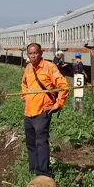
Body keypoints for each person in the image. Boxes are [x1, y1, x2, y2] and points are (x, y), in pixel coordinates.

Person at [21, 43, 69, 179]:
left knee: (41, 142)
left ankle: (43, 172)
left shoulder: (49, 67)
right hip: (29, 112)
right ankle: (33, 170)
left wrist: (57, 105)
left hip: (42, 112)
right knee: (30, 143)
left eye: (35, 53)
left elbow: (64, 86)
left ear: (41, 53)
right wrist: (25, 97)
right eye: (30, 53)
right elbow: (24, 84)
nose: (33, 56)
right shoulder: (28, 68)